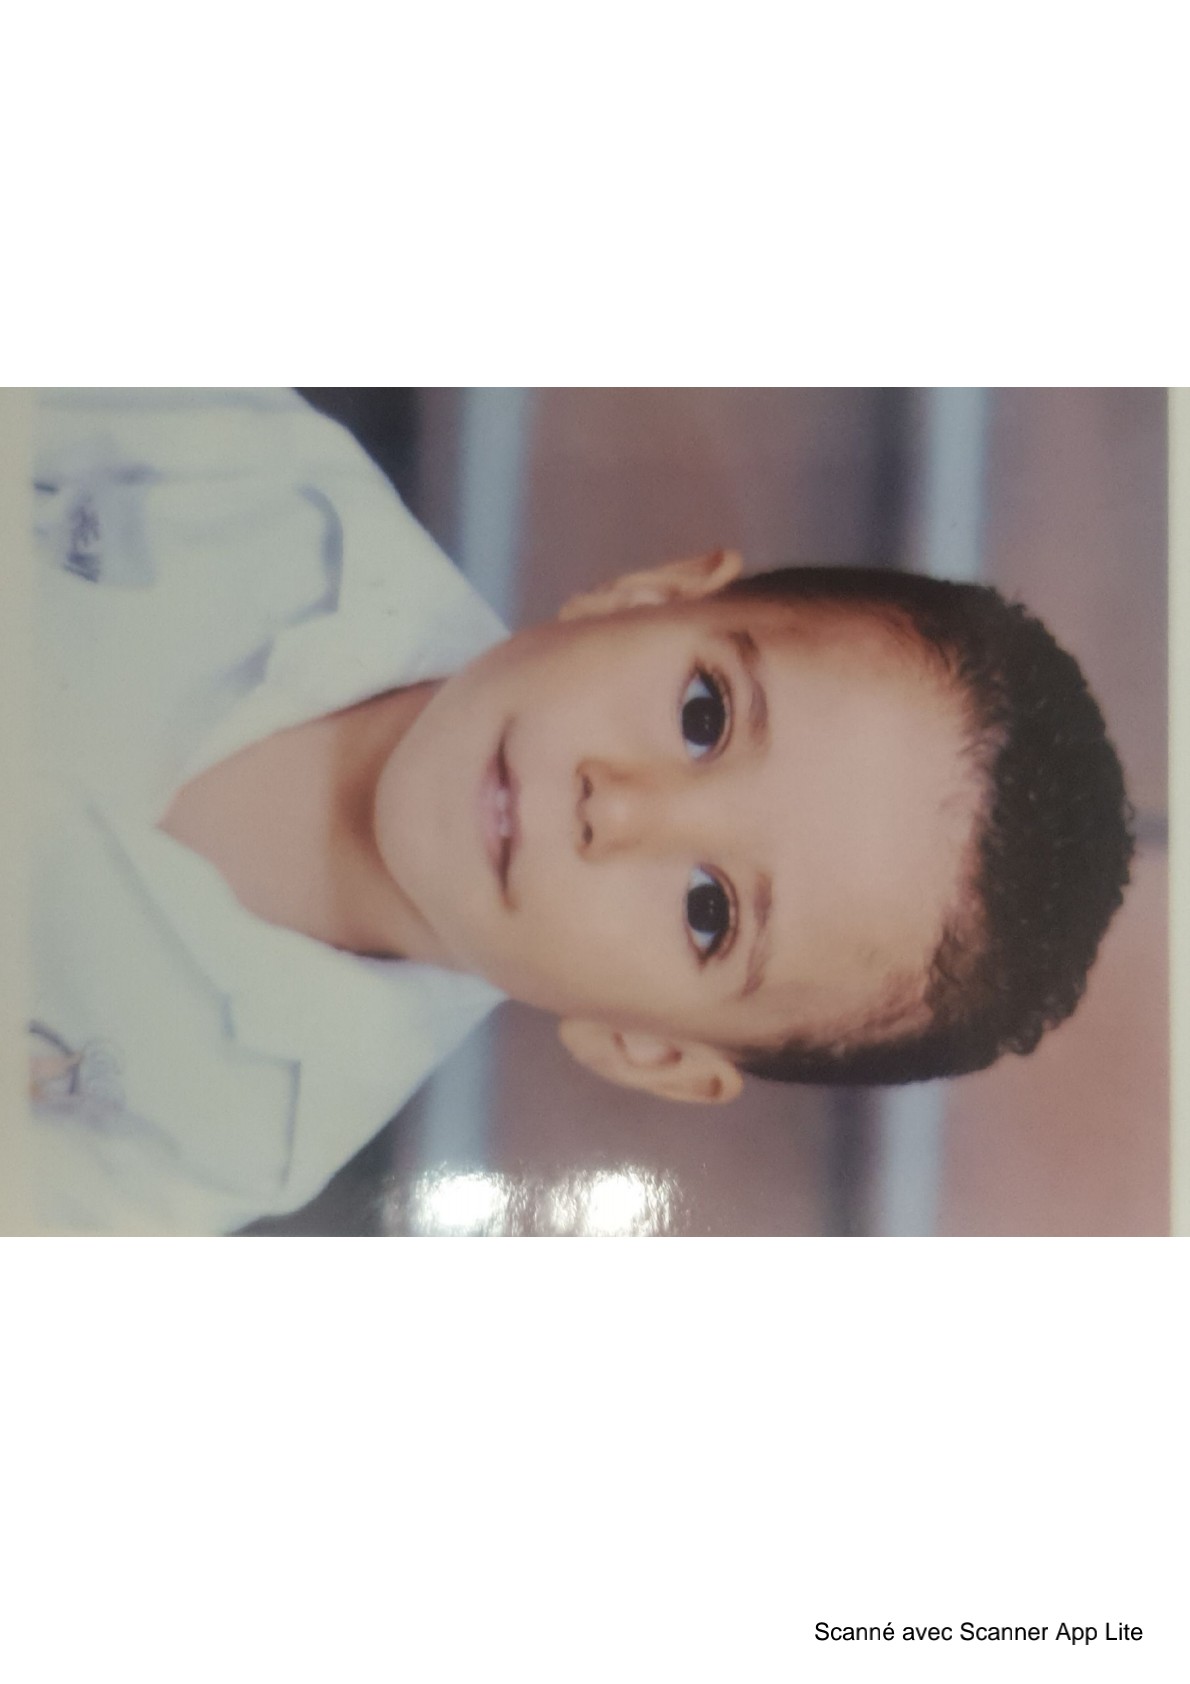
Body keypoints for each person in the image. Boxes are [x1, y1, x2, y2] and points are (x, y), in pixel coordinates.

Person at [23, 389, 1133, 1234]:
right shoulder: (258, 473)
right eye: (703, 714)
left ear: (650, 1049)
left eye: (708, 911)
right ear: (647, 594)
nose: (620, 807)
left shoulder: (231, 1142)